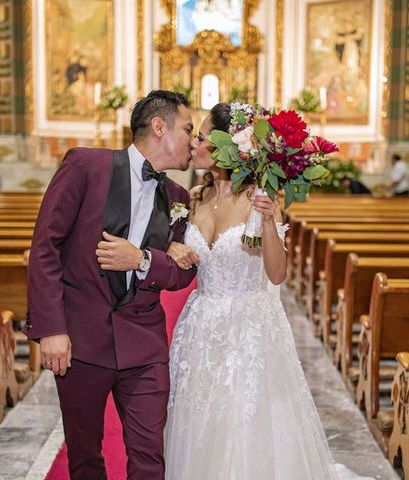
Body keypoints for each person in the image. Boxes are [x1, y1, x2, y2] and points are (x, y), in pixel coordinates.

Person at [163, 103, 372, 479]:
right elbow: (174, 246)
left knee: (242, 422)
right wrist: (171, 248)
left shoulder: (258, 200)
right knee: (199, 419)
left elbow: (277, 275)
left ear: (230, 148)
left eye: (203, 136)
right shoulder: (193, 198)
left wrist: (272, 219)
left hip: (248, 329)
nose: (195, 144)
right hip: (201, 325)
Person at [25, 90, 198, 479]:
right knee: (85, 457)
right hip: (81, 340)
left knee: (149, 457)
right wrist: (52, 328)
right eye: (188, 129)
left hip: (144, 343)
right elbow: (45, 246)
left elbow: (183, 272)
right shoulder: (86, 165)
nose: (194, 139)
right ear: (159, 127)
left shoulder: (179, 198)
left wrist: (144, 260)